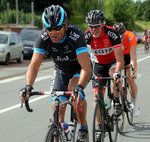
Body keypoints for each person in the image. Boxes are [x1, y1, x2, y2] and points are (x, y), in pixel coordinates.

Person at [19, 5, 92, 142]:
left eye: (57, 28)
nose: (53, 32)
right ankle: (60, 131)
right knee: (57, 110)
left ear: (65, 26)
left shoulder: (76, 36)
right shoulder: (43, 37)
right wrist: (28, 86)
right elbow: (34, 65)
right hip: (61, 70)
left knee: (74, 92)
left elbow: (86, 67)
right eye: (49, 28)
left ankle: (82, 128)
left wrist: (80, 87)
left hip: (79, 69)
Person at [85, 10, 124, 118]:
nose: (94, 29)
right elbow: (84, 59)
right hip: (99, 64)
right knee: (97, 97)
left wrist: (117, 72)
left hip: (113, 61)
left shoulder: (112, 34)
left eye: (96, 26)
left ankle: (116, 100)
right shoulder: (87, 36)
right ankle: (98, 129)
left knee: (114, 75)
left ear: (102, 24)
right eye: (91, 26)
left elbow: (120, 59)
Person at [113, 22, 140, 117]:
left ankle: (135, 104)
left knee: (130, 78)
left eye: (121, 38)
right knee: (114, 76)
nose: (119, 41)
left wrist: (133, 72)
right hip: (117, 57)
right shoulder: (111, 38)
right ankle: (113, 98)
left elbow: (133, 57)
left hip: (128, 57)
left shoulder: (130, 36)